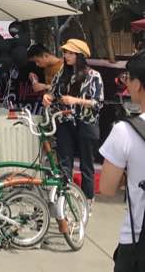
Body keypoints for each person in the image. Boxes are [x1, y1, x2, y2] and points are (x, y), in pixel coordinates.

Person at [43, 39, 104, 212]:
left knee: (86, 165)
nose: (66, 56)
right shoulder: (62, 73)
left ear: (80, 56)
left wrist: (75, 100)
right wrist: (47, 97)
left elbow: (98, 103)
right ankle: (65, 200)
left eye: (71, 53)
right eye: (65, 52)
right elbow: (53, 93)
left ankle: (87, 202)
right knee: (64, 163)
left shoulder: (94, 75)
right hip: (65, 121)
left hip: (87, 123)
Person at [99, 50, 145, 272]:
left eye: (128, 78)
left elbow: (107, 188)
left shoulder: (125, 131)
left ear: (137, 84)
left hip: (137, 244)